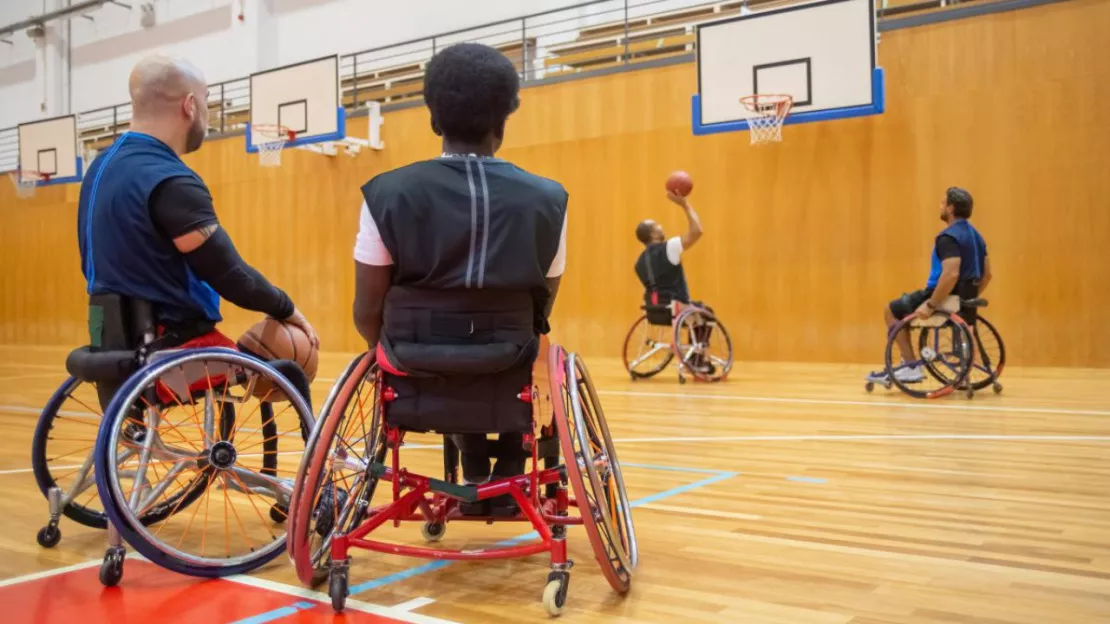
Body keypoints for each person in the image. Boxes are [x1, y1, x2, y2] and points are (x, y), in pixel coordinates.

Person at [352, 43, 567, 516]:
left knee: (446, 339)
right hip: (505, 357)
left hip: (412, 367)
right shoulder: (549, 200)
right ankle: (510, 466)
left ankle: (472, 460)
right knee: (516, 336)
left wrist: (394, 355)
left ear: (434, 118)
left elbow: (367, 312)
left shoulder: (384, 194)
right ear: (503, 121)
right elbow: (540, 310)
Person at [77, 54, 318, 405]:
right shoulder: (170, 179)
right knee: (289, 368)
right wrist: (286, 309)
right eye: (206, 99)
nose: (207, 110)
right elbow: (231, 275)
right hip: (170, 346)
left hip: (109, 339)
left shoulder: (99, 169)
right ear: (190, 105)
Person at [868, 187, 991, 384]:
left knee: (891, 310)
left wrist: (932, 304)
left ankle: (910, 367)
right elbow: (987, 275)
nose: (940, 207)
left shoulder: (948, 237)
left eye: (943, 203)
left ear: (950, 209)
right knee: (905, 305)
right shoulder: (977, 237)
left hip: (940, 295)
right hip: (964, 299)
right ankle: (910, 364)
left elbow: (951, 274)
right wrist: (965, 300)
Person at [633, 192, 702, 307]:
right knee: (707, 314)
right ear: (653, 234)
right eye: (657, 225)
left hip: (655, 308)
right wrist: (685, 205)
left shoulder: (639, 263)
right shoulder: (669, 247)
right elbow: (697, 231)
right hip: (678, 306)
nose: (661, 226)